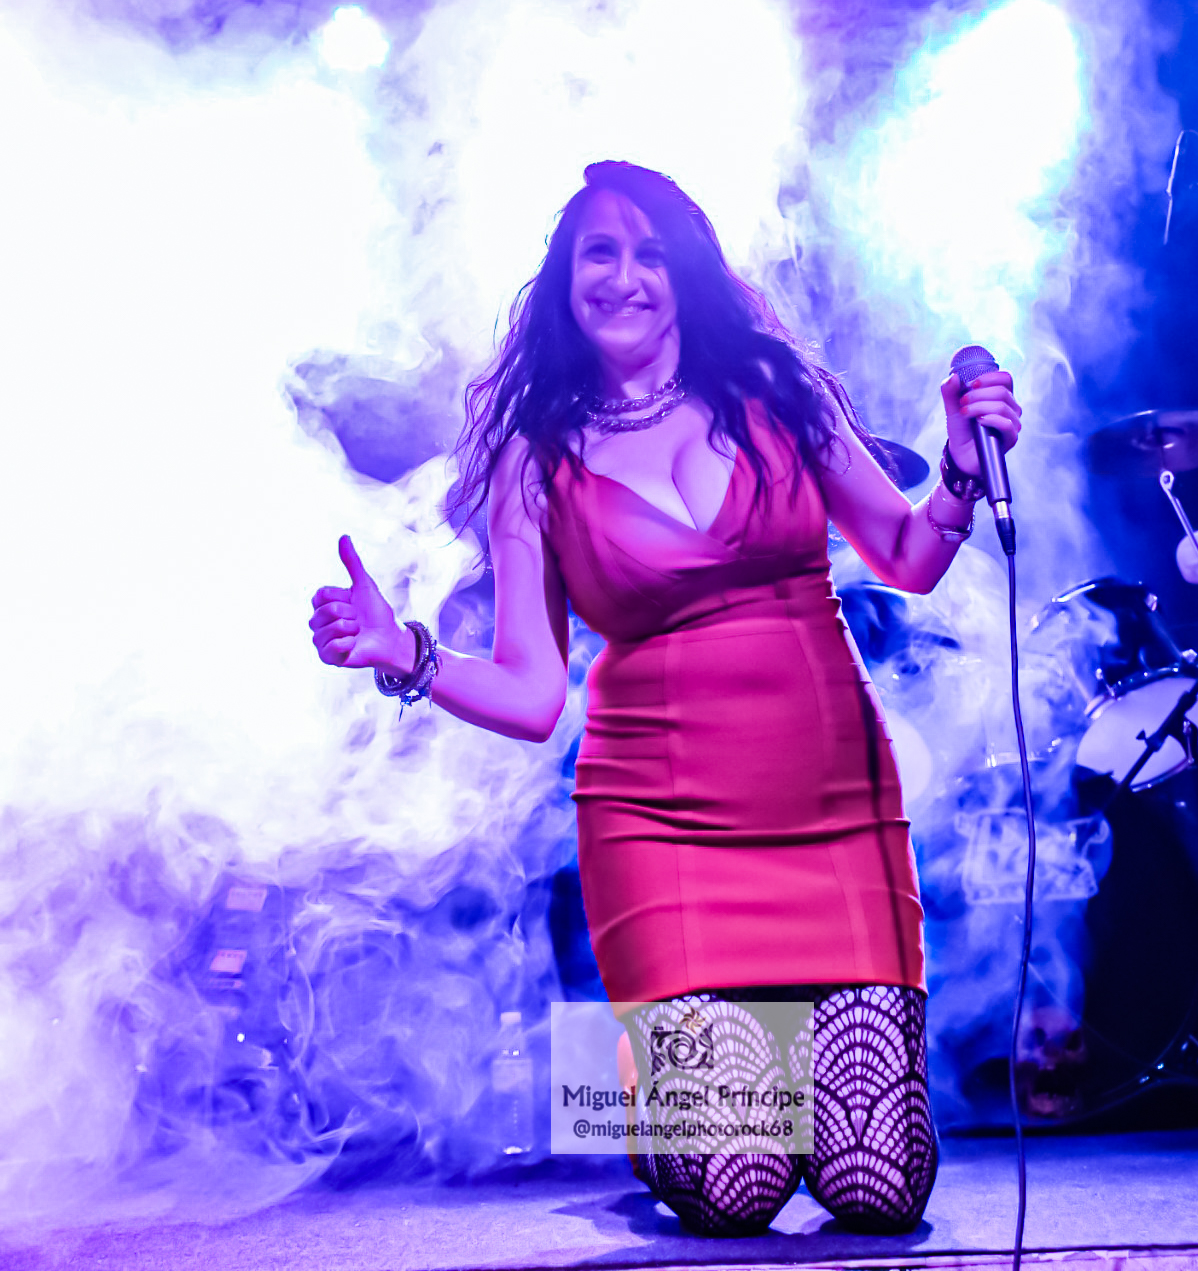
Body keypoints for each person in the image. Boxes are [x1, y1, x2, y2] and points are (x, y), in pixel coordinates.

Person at [310, 159, 1021, 1236]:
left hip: (835, 811)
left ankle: (752, 1071)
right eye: (599, 252)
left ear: (685, 273)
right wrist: (406, 652)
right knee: (735, 1191)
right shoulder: (535, 461)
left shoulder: (782, 395)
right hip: (661, 827)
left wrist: (960, 467)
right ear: (566, 279)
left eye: (650, 253)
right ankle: (656, 1092)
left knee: (878, 1190)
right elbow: (532, 693)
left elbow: (911, 557)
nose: (624, 276)